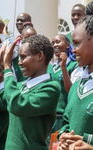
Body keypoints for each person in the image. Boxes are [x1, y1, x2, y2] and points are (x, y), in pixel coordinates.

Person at [2, 35, 60, 149]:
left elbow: (18, 105)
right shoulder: (19, 86)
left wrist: (7, 67)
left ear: (39, 56)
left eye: (23, 57)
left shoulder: (50, 88)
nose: (19, 62)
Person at [58, 15, 93, 150]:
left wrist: (88, 144)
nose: (73, 50)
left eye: (77, 43)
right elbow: (67, 123)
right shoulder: (76, 86)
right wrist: (64, 137)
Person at [48, 34, 78, 133]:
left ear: (68, 44)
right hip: (49, 116)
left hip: (62, 117)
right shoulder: (50, 67)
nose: (55, 45)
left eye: (58, 42)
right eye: (53, 43)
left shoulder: (74, 66)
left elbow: (72, 91)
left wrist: (63, 67)